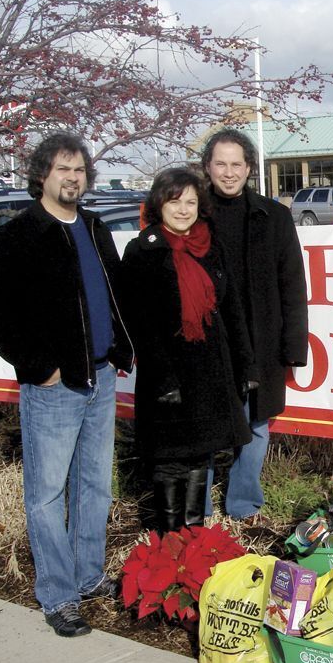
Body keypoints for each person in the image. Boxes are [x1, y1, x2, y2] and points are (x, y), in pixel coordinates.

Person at [0, 132, 134, 637]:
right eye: (63, 169)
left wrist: (121, 349)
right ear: (42, 175)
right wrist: (38, 365)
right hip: (54, 386)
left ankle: (88, 577)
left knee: (93, 486)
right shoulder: (19, 234)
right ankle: (59, 595)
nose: (73, 178)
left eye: (80, 170)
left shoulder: (93, 225)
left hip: (101, 376)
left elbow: (114, 293)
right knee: (46, 495)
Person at [120, 167, 257, 533]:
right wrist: (163, 377)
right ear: (158, 204)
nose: (183, 209)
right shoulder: (142, 251)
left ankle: (194, 538)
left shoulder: (211, 246)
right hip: (167, 375)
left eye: (191, 202)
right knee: (168, 461)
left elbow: (232, 311)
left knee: (199, 457)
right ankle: (167, 540)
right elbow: (139, 322)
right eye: (175, 201)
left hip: (209, 372)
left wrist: (245, 365)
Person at [201, 129, 308, 521]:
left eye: (236, 164)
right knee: (207, 428)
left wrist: (294, 349)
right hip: (209, 344)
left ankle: (243, 506)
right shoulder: (191, 214)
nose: (229, 173)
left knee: (257, 425)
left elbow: (292, 284)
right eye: (220, 164)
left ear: (249, 168)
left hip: (260, 343)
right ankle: (200, 511)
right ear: (208, 167)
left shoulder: (273, 216)